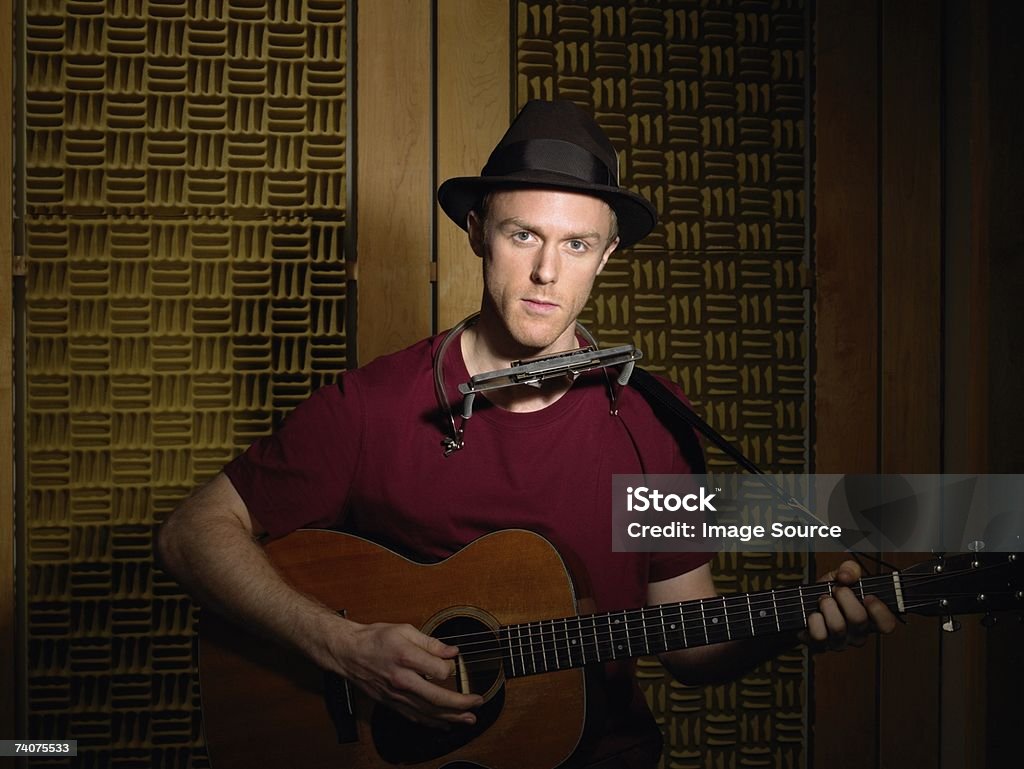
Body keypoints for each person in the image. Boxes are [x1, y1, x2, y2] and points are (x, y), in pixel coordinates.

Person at [157, 100, 897, 768]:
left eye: (577, 245)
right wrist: (344, 647)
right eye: (524, 234)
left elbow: (688, 641)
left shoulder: (652, 415)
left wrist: (793, 619)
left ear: (606, 257)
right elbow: (191, 535)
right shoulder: (371, 405)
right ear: (478, 231)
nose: (547, 271)